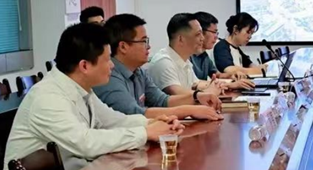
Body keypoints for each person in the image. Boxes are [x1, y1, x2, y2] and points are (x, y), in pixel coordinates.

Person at [5, 23, 183, 170]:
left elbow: (114, 120)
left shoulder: (82, 90)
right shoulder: (47, 98)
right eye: (107, 60)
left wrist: (153, 123)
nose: (112, 66)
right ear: (84, 66)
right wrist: (146, 133)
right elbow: (86, 143)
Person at [94, 14, 223, 120]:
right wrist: (189, 110)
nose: (149, 46)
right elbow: (134, 114)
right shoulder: (109, 76)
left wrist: (196, 96)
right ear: (123, 47)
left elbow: (162, 100)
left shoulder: (139, 72)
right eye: (144, 41)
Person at [147, 13, 227, 96]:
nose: (202, 38)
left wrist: (216, 85)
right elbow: (178, 94)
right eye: (198, 34)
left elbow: (196, 83)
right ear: (181, 39)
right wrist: (208, 92)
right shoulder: (163, 62)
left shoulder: (185, 60)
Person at [191, 11, 254, 89]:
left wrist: (232, 75)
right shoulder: (188, 56)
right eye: (214, 32)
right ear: (200, 32)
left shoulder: (204, 55)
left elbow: (218, 75)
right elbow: (194, 83)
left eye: (217, 33)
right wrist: (229, 85)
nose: (216, 37)